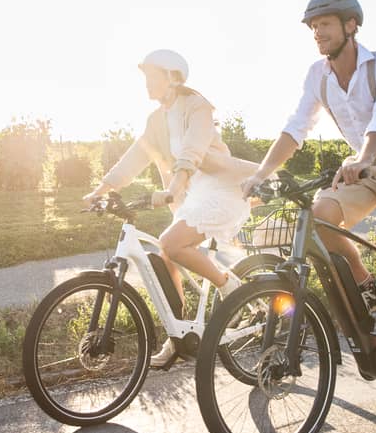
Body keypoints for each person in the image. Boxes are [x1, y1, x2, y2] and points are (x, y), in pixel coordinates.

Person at [242, 0, 376, 409]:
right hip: (364, 168)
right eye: (313, 27)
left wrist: (365, 156)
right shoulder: (318, 75)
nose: (317, 33)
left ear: (351, 26)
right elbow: (296, 126)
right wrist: (261, 173)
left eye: (325, 25)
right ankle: (367, 287)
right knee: (320, 215)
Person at [85, 49, 260, 367]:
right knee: (167, 257)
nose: (147, 84)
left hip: (219, 190)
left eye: (152, 77)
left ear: (173, 78)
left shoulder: (197, 107)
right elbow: (135, 156)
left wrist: (171, 189)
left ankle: (230, 288)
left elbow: (192, 153)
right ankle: (179, 336)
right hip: (190, 197)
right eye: (145, 78)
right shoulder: (155, 120)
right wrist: (101, 189)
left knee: (170, 243)